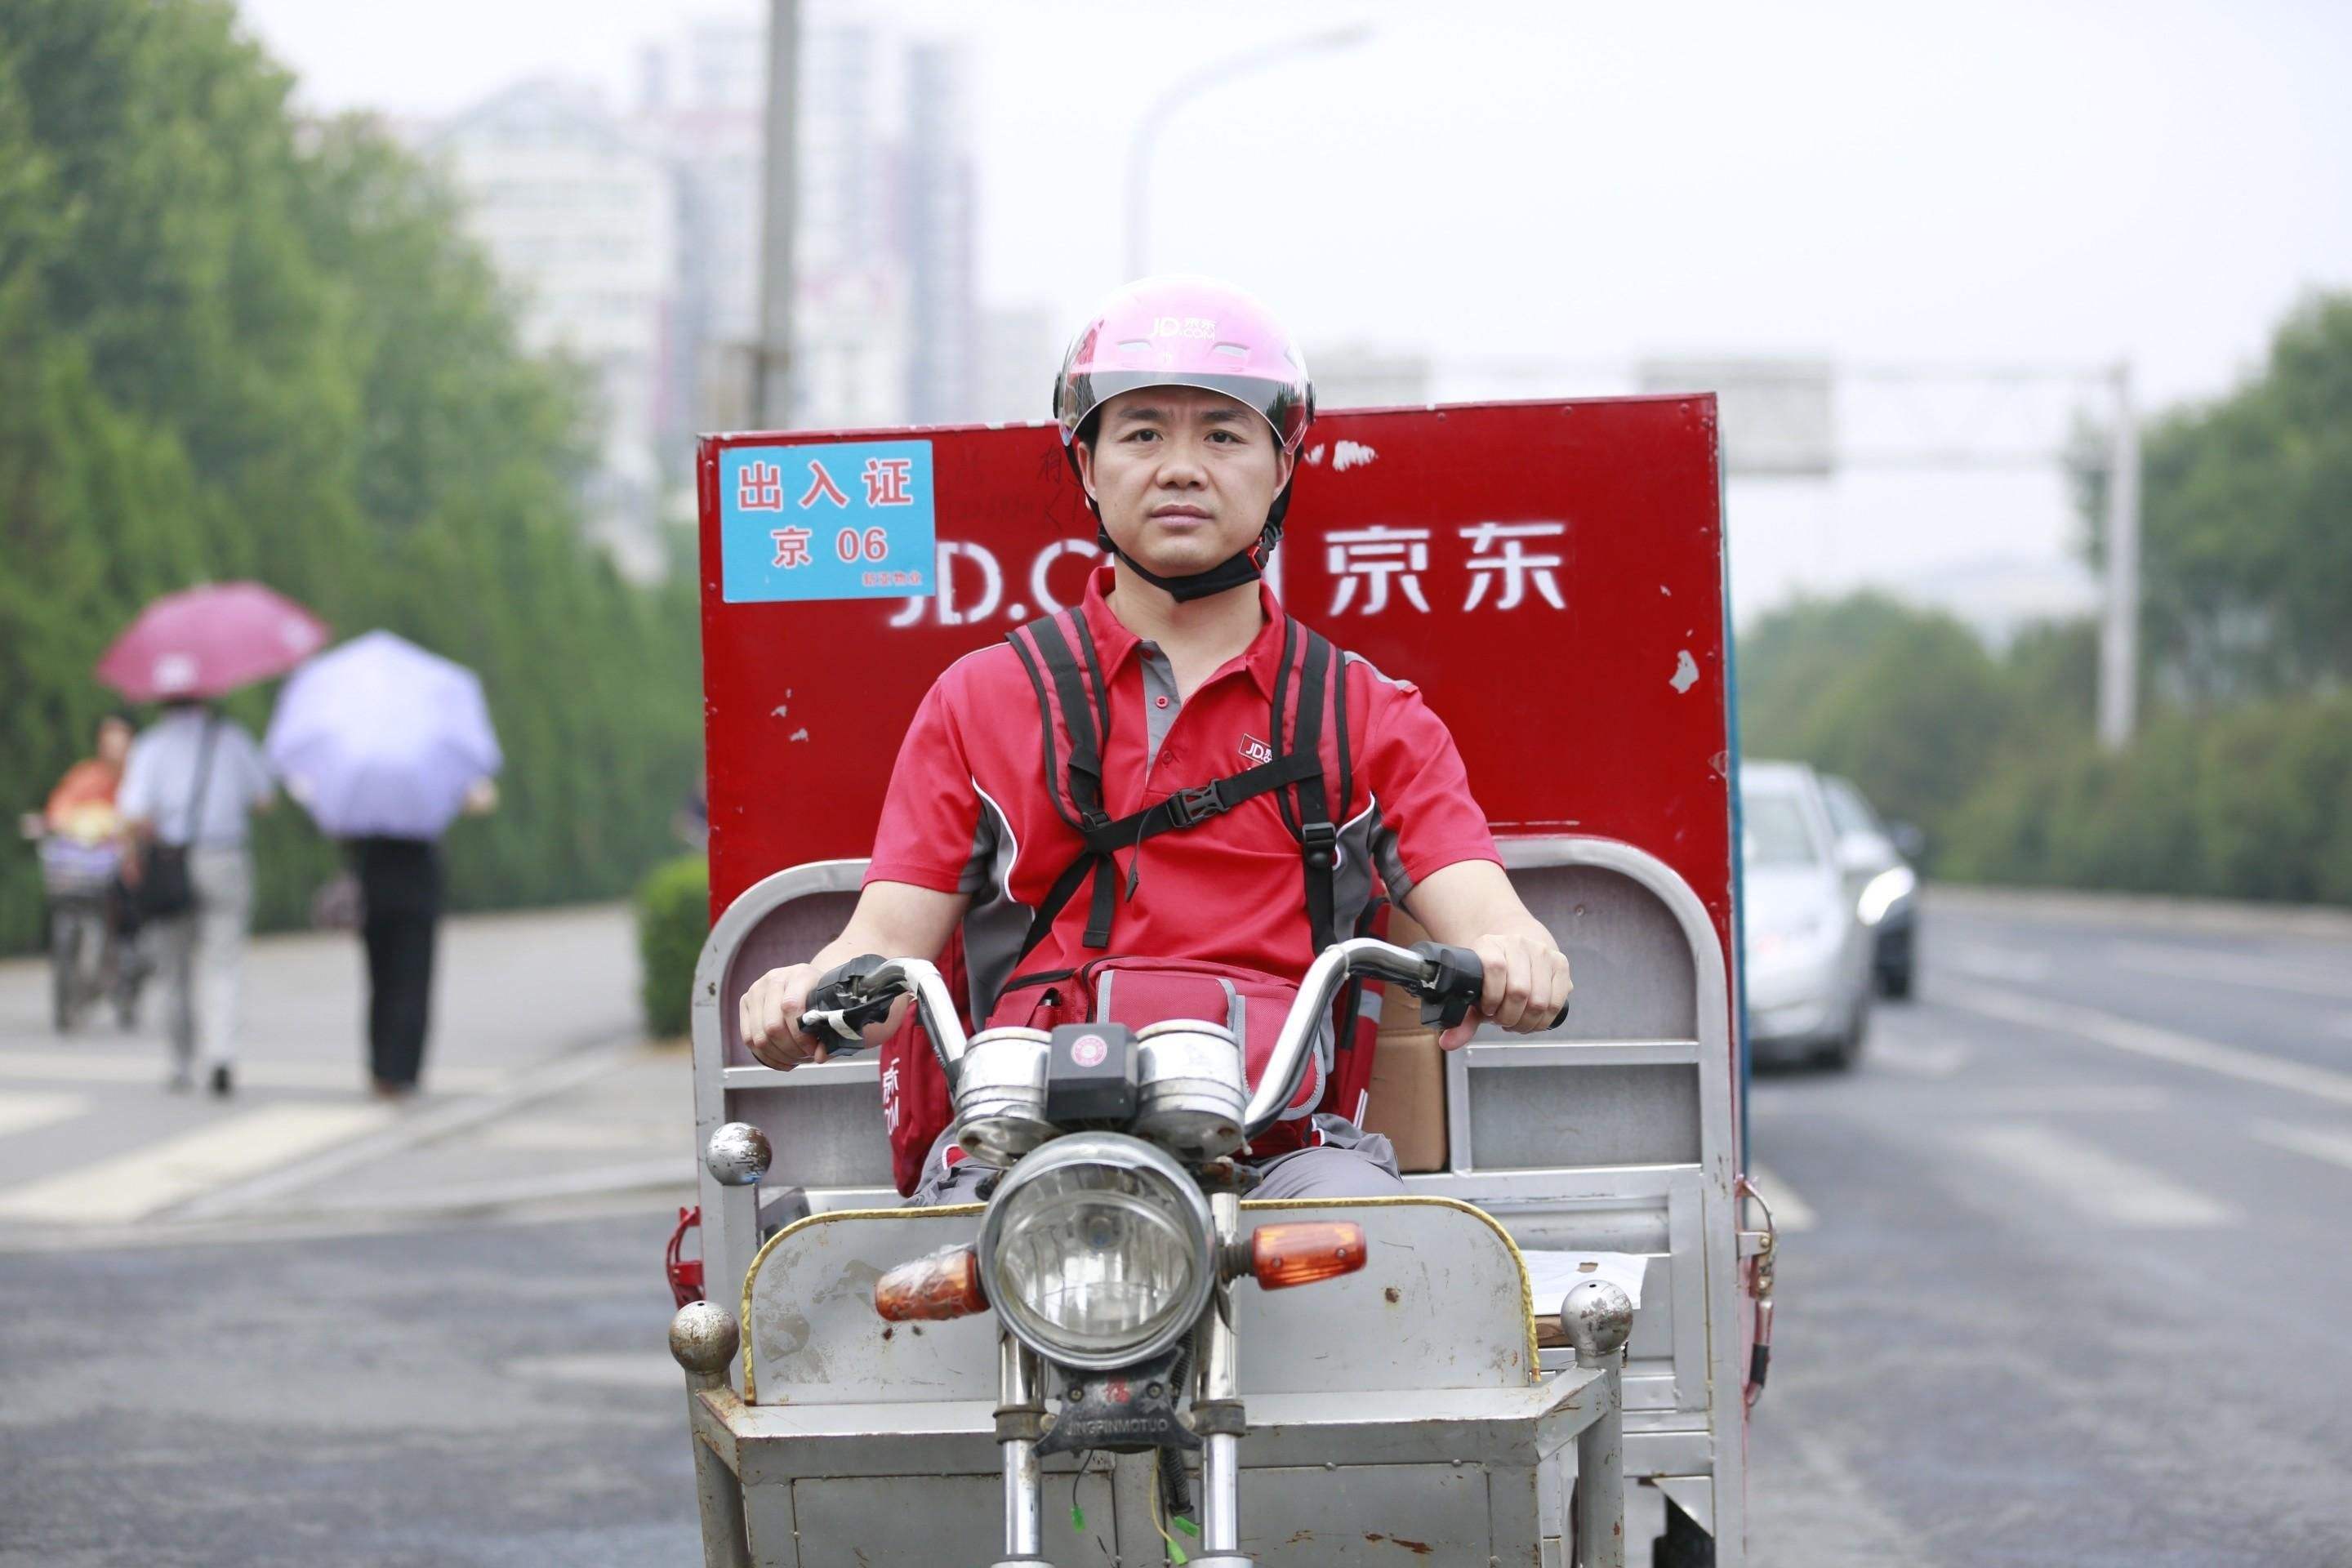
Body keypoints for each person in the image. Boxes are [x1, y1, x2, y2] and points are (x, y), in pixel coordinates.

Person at [737, 275, 1571, 1204]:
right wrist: (806, 992)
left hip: (1275, 1155)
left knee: (1371, 1257)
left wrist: (1515, 954)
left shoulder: (1369, 715)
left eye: (1222, 434)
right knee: (928, 1300)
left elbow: (1485, 910)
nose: (1181, 466)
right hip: (1018, 1152)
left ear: (1283, 464)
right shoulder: (980, 700)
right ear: (1088, 468)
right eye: (1142, 433)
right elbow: (884, 946)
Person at [118, 699, 275, 1096]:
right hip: (223, 856)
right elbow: (264, 798)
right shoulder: (233, 739)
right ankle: (221, 1054)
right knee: (223, 962)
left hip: (170, 861)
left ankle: (180, 1061)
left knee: (174, 968)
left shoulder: (152, 746)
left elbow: (133, 812)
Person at [350, 778, 497, 1100]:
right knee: (413, 977)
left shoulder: (368, 771)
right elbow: (481, 799)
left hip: (376, 874)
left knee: (381, 975)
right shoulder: (427, 765)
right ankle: (403, 1070)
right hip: (417, 876)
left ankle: (382, 1068)